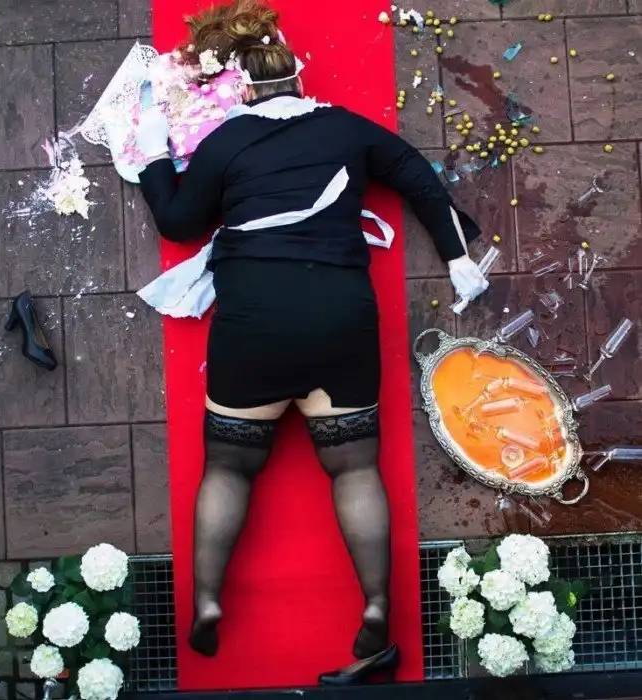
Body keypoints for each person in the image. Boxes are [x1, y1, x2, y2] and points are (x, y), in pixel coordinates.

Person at [135, 0, 487, 663]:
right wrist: (456, 256)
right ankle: (376, 602)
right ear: (298, 76)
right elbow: (416, 177)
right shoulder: (347, 129)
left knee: (229, 467)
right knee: (354, 468)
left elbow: (179, 223)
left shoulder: (225, 144)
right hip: (338, 317)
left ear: (242, 89)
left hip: (254, 321)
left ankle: (207, 598)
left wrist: (156, 154)